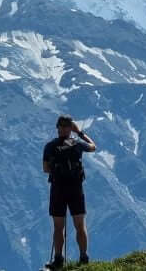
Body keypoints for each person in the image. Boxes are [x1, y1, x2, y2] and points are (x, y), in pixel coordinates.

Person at [42, 115, 97, 269]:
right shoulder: (77, 144)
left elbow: (45, 168)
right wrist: (79, 133)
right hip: (75, 188)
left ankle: (58, 260)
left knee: (58, 227)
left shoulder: (50, 146)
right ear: (70, 128)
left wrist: (58, 170)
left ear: (58, 127)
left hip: (58, 189)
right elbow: (93, 146)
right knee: (80, 225)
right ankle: (84, 258)